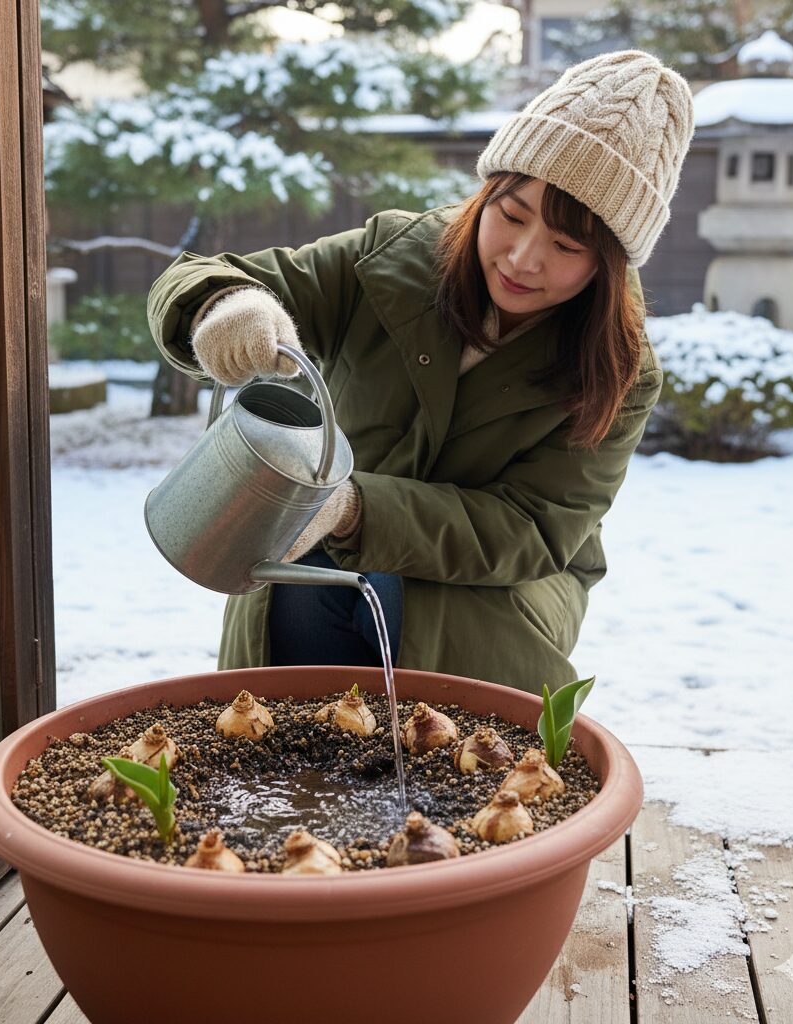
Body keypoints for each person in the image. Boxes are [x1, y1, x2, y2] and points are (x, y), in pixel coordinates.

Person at [147, 50, 695, 694]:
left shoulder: (617, 369)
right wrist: (225, 304)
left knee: (408, 606)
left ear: (611, 264)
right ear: (487, 192)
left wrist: (355, 509)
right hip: (320, 543)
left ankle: (450, 784)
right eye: (512, 215)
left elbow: (530, 529)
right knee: (300, 594)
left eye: (567, 246)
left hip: (504, 586)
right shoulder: (393, 259)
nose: (523, 258)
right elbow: (202, 277)